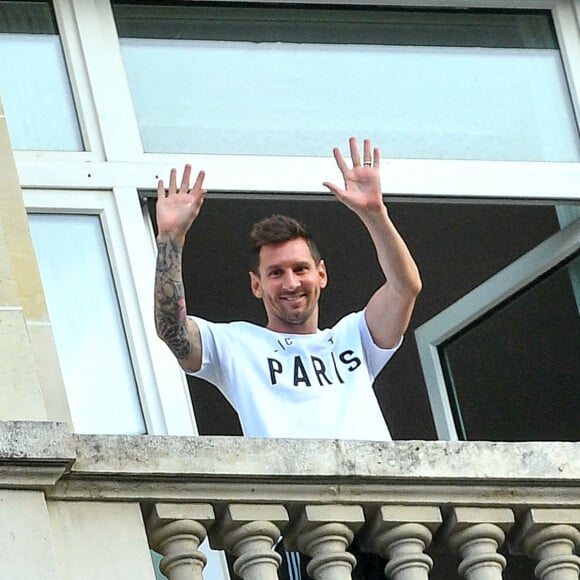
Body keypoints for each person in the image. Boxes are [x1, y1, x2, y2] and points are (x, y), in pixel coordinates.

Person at [154, 137, 422, 578]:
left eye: (300, 269)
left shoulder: (354, 335)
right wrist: (171, 239)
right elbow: (171, 330)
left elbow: (405, 287)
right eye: (275, 273)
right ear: (257, 286)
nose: (290, 282)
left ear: (321, 274)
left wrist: (375, 214)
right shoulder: (238, 345)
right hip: (299, 535)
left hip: (378, 529)